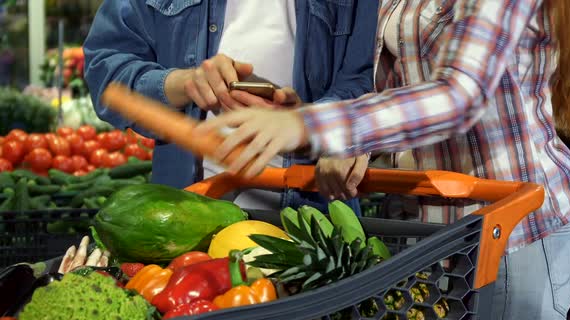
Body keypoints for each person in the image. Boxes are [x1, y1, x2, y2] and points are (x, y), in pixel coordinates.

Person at [196, 0, 570, 320]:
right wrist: (314, 123)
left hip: (514, 235)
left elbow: (460, 96)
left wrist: (313, 127)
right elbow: (400, 97)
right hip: (429, 238)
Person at [83, 0, 378, 213]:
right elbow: (105, 72)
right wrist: (185, 83)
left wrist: (311, 121)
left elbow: (367, 75)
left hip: (316, 220)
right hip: (188, 220)